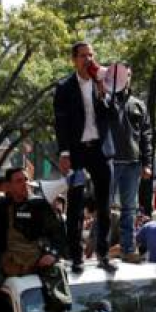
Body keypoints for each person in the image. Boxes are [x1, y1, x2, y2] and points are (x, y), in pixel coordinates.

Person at [54, 41, 117, 272]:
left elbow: (114, 116)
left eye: (91, 55)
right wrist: (64, 152)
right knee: (76, 205)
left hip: (100, 151)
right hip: (77, 153)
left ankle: (103, 254)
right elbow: (60, 123)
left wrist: (104, 93)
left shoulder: (102, 84)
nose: (88, 59)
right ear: (74, 60)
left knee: (104, 205)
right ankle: (76, 256)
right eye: (83, 56)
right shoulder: (64, 87)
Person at [0, 167, 71, 312]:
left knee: (58, 270)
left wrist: (52, 254)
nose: (24, 184)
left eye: (25, 180)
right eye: (18, 181)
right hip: (5, 256)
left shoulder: (40, 205)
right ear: (8, 186)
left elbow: (59, 235)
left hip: (35, 256)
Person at [106, 64, 153, 264]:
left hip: (133, 163)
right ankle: (102, 247)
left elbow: (146, 136)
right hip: (109, 161)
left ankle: (127, 247)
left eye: (128, 75)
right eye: (121, 75)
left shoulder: (139, 105)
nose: (126, 78)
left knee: (129, 209)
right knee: (104, 207)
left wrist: (147, 163)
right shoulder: (105, 101)